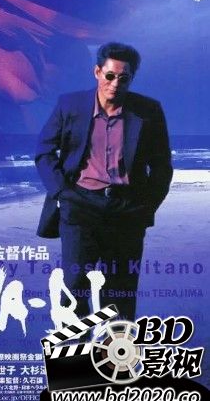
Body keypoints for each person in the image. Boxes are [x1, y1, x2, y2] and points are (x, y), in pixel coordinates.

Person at [35, 42, 173, 321]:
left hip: (126, 210)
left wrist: (146, 207)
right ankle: (75, 347)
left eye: (124, 78)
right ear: (97, 72)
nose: (115, 83)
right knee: (75, 288)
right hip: (80, 205)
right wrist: (62, 193)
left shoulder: (148, 111)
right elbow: (44, 151)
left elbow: (161, 166)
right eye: (110, 75)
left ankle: (117, 347)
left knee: (121, 291)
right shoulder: (70, 105)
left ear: (131, 78)